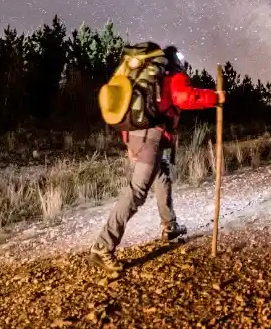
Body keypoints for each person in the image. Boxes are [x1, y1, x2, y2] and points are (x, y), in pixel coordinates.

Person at [89, 45, 225, 274]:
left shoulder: (146, 78)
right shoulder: (171, 75)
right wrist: (215, 97)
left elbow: (127, 112)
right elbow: (184, 97)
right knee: (137, 191)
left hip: (136, 135)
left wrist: (129, 143)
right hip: (150, 137)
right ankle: (103, 246)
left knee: (161, 175)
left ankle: (170, 226)